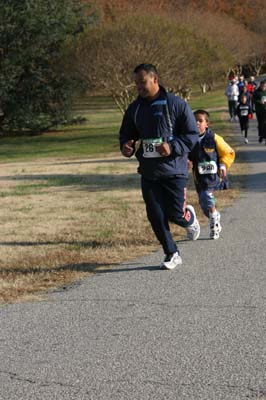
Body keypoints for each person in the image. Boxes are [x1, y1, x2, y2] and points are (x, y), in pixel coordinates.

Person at [119, 63, 200, 270]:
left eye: (142, 82)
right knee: (155, 214)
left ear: (155, 79)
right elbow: (127, 134)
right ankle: (171, 252)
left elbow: (191, 136)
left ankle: (188, 218)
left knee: (176, 215)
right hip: (149, 172)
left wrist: (172, 147)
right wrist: (127, 145)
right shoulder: (135, 108)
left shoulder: (176, 104)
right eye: (136, 83)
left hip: (174, 170)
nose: (138, 87)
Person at [189, 110, 235, 240]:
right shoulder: (189, 139)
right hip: (199, 177)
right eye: (194, 121)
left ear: (207, 124)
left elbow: (228, 152)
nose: (197, 123)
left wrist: (223, 165)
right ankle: (214, 215)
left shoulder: (214, 138)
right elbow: (185, 154)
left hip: (213, 175)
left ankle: (214, 225)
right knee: (204, 204)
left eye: (200, 121)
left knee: (206, 195)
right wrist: (187, 161)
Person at [253, 80, 266, 144]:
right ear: (260, 86)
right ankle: (261, 135)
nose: (264, 87)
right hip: (259, 110)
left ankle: (264, 136)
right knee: (260, 123)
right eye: (262, 86)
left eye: (265, 86)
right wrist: (259, 101)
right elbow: (253, 100)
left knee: (265, 123)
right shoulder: (257, 92)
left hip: (265, 110)